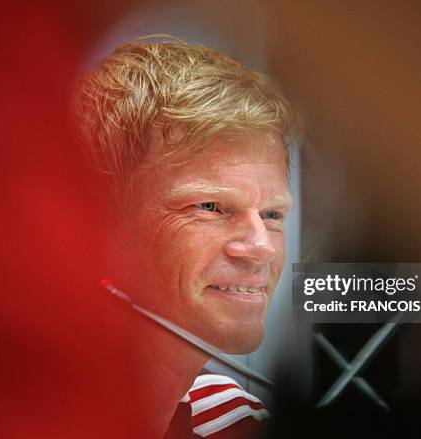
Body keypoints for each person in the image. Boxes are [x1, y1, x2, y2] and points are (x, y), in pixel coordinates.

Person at [76, 37, 297, 438]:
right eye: (210, 207)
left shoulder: (237, 420)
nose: (262, 247)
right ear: (99, 223)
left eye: (272, 214)